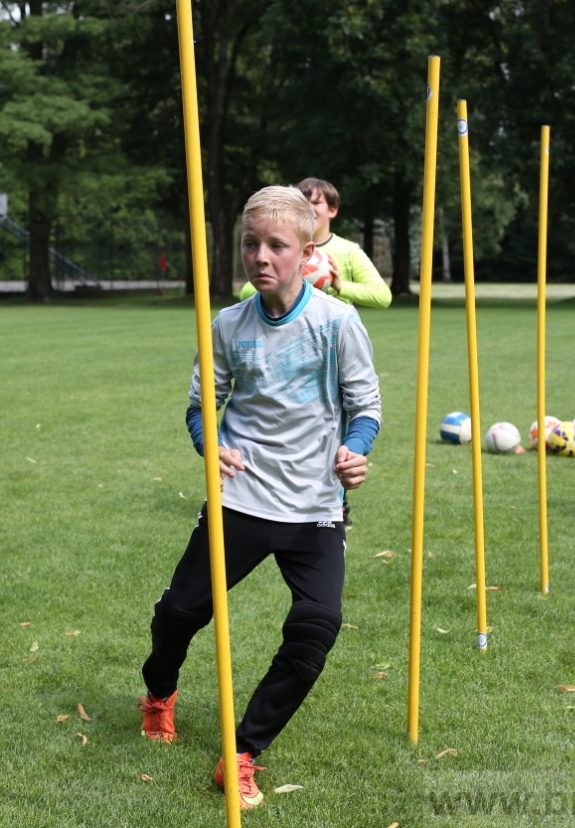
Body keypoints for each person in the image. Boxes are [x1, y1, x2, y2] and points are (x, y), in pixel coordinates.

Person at [137, 186, 382, 809]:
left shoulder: (338, 323)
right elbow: (201, 407)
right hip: (240, 499)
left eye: (277, 245)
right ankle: (159, 694)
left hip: (314, 508)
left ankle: (244, 752)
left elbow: (365, 408)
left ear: (307, 253)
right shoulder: (226, 324)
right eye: (251, 244)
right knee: (179, 615)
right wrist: (210, 445)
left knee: (317, 627)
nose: (261, 256)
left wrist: (354, 451)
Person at [238, 177, 390, 527]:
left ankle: (334, 502)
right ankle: (261, 494)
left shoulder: (347, 251)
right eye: (302, 200)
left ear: (332, 210)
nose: (309, 207)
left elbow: (382, 295)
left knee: (336, 422)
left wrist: (338, 285)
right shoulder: (273, 251)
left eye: (316, 202)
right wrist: (288, 281)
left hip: (332, 349)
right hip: (283, 347)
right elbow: (246, 292)